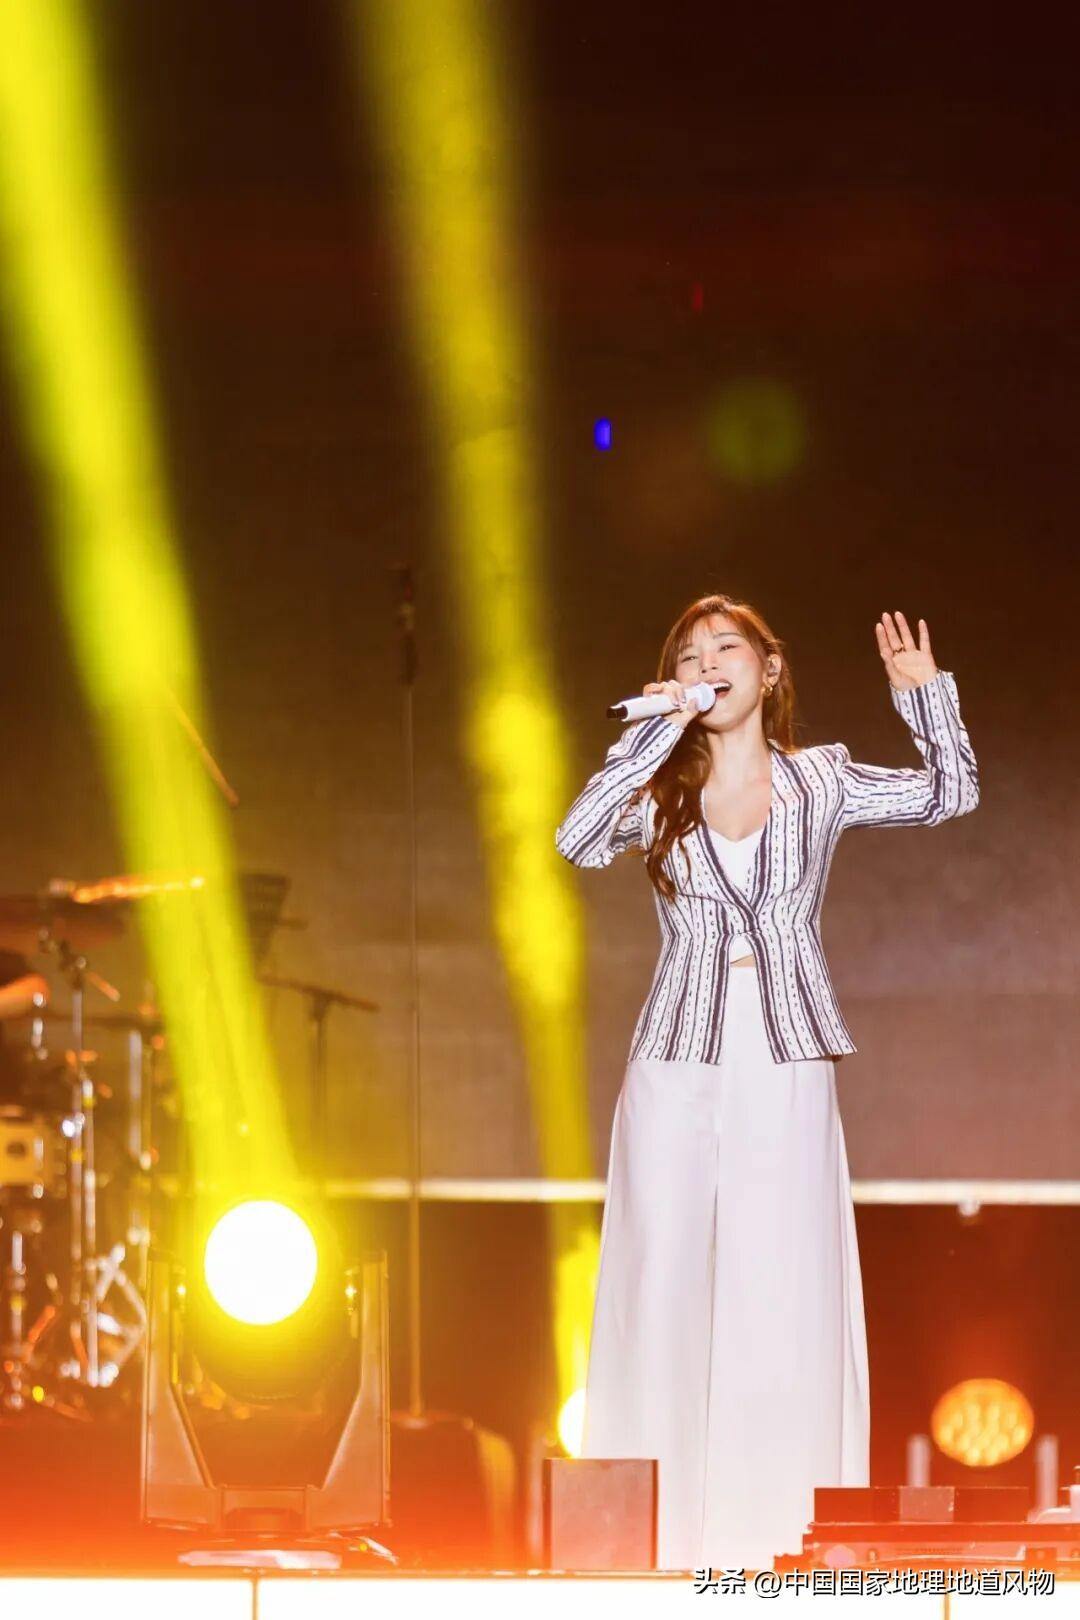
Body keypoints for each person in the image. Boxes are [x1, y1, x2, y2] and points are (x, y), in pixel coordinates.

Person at [555, 595, 979, 1572]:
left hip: (785, 1049)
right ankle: (655, 1547)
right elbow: (576, 839)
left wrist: (926, 699)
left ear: (769, 669)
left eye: (725, 648)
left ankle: (777, 1540)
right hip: (677, 1055)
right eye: (688, 655)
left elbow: (948, 793)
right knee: (662, 1281)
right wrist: (652, 731)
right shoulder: (658, 792)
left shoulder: (819, 780)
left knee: (781, 1280)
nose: (706, 664)